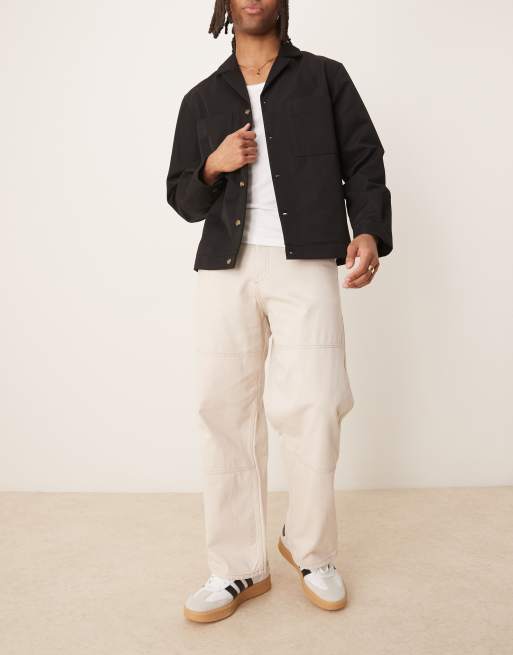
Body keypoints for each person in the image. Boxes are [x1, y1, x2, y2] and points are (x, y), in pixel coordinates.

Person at [166, 0, 393, 624]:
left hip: (308, 259)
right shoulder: (201, 98)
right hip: (226, 268)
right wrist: (212, 165)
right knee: (224, 411)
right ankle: (237, 565)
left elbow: (364, 159)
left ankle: (312, 549)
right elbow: (182, 199)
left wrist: (369, 230)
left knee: (317, 403)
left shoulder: (325, 78)